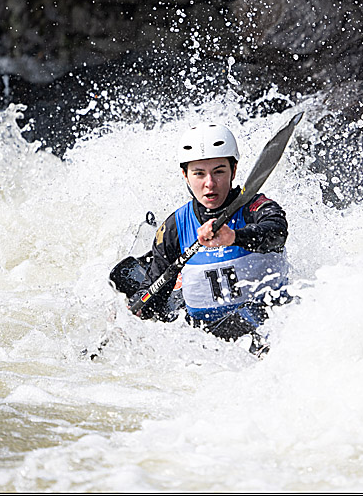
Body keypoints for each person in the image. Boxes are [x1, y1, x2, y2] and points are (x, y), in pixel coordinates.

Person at [116, 122, 291, 353]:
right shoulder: (174, 227)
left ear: (234, 170)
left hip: (268, 321)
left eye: (219, 172)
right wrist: (131, 314)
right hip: (204, 337)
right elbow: (155, 290)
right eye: (199, 173)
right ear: (185, 176)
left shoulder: (255, 207)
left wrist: (235, 237)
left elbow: (276, 232)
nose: (210, 183)